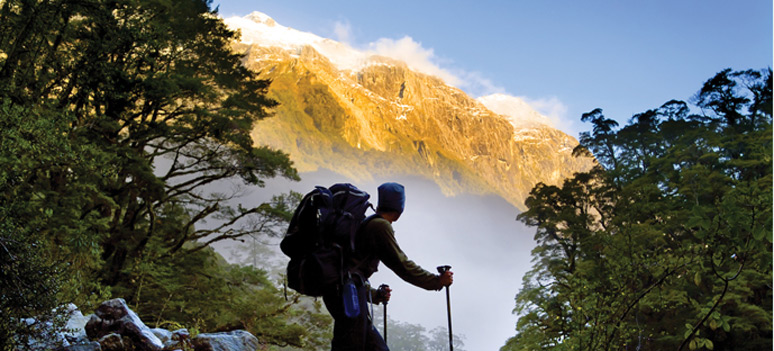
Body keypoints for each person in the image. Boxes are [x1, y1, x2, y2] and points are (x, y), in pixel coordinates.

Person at [322, 182, 454, 351]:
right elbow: (401, 265)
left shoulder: (367, 223)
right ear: (399, 210)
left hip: (345, 293)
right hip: (348, 294)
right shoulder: (380, 226)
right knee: (350, 346)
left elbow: (350, 269)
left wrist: (375, 295)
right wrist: (436, 281)